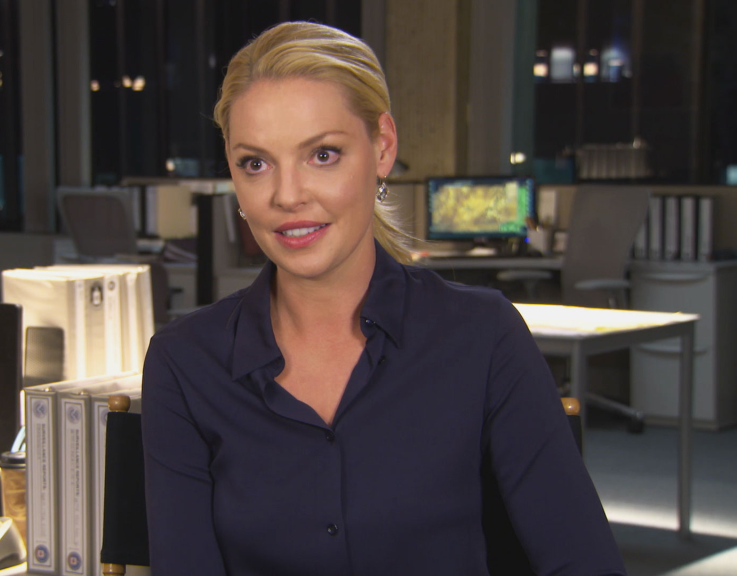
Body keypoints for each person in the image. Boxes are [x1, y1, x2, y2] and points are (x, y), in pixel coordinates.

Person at [141, 21, 625, 575]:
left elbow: (584, 562)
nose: (287, 195)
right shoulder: (185, 362)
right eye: (256, 163)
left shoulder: (482, 335)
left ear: (383, 148)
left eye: (323, 154)